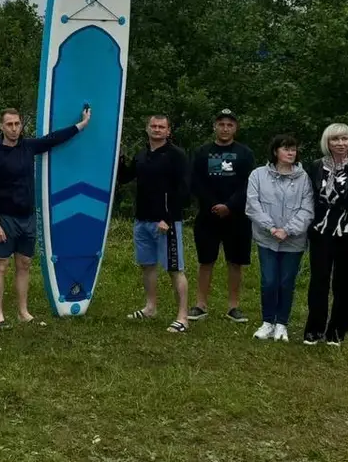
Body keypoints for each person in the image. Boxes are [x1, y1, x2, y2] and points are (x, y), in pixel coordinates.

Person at [0, 106, 89, 328]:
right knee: (1, 265)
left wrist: (81, 125)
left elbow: (52, 139)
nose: (14, 128)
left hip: (27, 217)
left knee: (25, 264)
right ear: (1, 126)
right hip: (4, 219)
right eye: (9, 124)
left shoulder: (28, 147)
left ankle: (22, 311)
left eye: (17, 124)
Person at [118, 114, 191, 333]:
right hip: (142, 220)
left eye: (161, 127)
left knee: (175, 269)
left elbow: (184, 190)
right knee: (147, 266)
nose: (157, 130)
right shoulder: (142, 154)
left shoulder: (176, 155)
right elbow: (125, 177)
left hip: (165, 224)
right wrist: (120, 156)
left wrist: (168, 219)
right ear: (147, 128)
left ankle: (183, 317)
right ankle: (150, 308)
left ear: (168, 131)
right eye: (153, 126)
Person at [303, 123, 348, 347]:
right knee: (318, 282)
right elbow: (309, 199)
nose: (340, 143)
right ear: (327, 142)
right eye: (335, 139)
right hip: (321, 233)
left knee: (344, 285)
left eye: (345, 139)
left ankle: (337, 332)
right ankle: (314, 329)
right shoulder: (315, 167)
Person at [189, 109, 255, 324]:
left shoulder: (245, 153)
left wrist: (229, 205)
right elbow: (196, 181)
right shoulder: (202, 152)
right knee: (206, 260)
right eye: (221, 124)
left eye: (229, 124)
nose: (225, 128)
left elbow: (249, 183)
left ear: (235, 128)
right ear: (214, 127)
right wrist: (213, 205)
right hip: (208, 215)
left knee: (235, 262)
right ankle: (200, 305)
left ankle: (233, 306)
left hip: (237, 216)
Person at [245, 135, 314, 342]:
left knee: (286, 282)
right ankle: (267, 322)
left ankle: (282, 324)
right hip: (267, 239)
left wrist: (288, 230)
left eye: (293, 149)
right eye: (286, 149)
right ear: (275, 151)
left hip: (293, 241)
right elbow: (252, 205)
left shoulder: (304, 179)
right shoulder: (258, 175)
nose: (291, 152)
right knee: (269, 281)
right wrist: (272, 228)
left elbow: (307, 209)